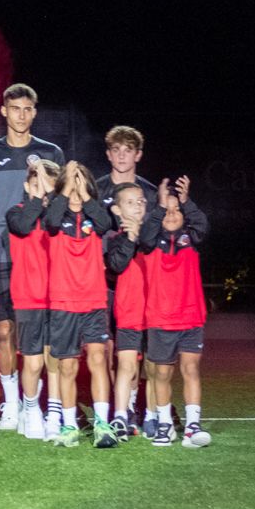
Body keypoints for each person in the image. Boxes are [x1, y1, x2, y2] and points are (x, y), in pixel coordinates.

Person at [0, 83, 63, 430]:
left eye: (28, 109)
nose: (21, 115)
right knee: (4, 330)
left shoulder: (50, 151)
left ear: (34, 112)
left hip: (40, 255)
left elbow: (62, 202)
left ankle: (39, 404)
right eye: (16, 108)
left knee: (41, 333)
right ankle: (12, 403)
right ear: (4, 111)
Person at [44, 161, 117, 448]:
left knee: (98, 358)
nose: (76, 186)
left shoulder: (94, 213)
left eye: (81, 181)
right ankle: (70, 425)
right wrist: (64, 190)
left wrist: (85, 195)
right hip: (63, 300)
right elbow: (49, 222)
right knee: (67, 366)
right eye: (71, 181)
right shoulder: (56, 213)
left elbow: (105, 224)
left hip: (93, 298)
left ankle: (102, 424)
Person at [142, 175, 212, 448]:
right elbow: (146, 233)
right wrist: (160, 206)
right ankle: (165, 424)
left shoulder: (190, 239)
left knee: (191, 369)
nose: (171, 215)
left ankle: (193, 425)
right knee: (161, 374)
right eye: (166, 211)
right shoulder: (152, 241)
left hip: (190, 316)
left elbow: (202, 225)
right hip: (159, 317)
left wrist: (186, 201)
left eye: (176, 211)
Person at [4, 157, 60, 440]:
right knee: (34, 361)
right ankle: (30, 409)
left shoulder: (58, 215)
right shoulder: (16, 213)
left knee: (57, 360)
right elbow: (25, 227)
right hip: (28, 298)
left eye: (48, 185)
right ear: (27, 186)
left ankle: (55, 411)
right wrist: (38, 197)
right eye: (36, 183)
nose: (42, 190)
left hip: (59, 298)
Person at [103, 181, 149, 443]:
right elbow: (117, 265)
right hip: (130, 310)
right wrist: (131, 238)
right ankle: (121, 414)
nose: (138, 206)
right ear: (118, 211)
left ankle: (151, 413)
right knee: (127, 365)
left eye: (141, 201)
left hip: (156, 311)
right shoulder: (114, 238)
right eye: (131, 202)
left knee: (150, 368)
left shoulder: (154, 235)